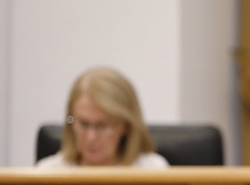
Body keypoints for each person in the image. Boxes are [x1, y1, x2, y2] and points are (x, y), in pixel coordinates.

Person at [36, 67, 169, 168]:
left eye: (102, 126)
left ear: (126, 125)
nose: (91, 137)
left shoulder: (152, 171)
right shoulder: (48, 173)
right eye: (83, 124)